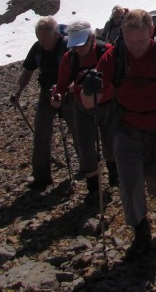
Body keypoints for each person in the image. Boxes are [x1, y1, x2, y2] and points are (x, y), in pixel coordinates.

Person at [81, 8, 156, 259]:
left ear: (151, 32)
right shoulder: (114, 56)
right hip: (127, 129)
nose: (136, 47)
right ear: (122, 35)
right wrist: (88, 89)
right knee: (130, 185)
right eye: (131, 41)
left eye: (141, 40)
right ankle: (141, 232)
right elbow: (89, 103)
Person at [51, 20, 116, 205]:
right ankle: (94, 189)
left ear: (91, 38)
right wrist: (57, 95)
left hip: (109, 104)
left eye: (82, 45)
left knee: (111, 143)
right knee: (85, 147)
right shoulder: (70, 58)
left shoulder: (108, 52)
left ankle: (115, 177)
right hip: (82, 107)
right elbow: (62, 84)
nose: (78, 49)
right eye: (75, 46)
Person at [10, 16, 77, 191]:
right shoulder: (38, 48)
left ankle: (87, 167)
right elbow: (28, 71)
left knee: (77, 130)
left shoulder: (68, 46)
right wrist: (18, 91)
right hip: (47, 93)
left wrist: (68, 90)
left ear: (56, 34)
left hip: (68, 94)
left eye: (45, 39)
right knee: (41, 133)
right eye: (39, 39)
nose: (42, 42)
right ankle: (41, 177)